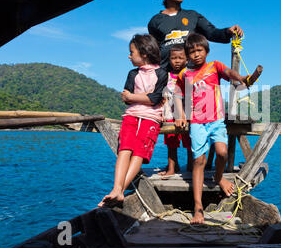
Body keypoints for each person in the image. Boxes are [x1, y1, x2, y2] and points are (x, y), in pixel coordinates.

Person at [174, 33, 249, 224]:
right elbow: (177, 95)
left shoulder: (214, 66)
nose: (196, 54)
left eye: (199, 50)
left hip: (216, 120)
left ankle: (218, 177)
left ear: (206, 51)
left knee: (222, 152)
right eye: (192, 52)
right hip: (197, 122)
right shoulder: (185, 74)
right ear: (188, 55)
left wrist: (240, 78)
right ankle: (198, 208)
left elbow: (229, 73)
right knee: (199, 160)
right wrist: (180, 115)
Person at [98, 34, 168, 207]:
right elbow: (125, 97)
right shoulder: (132, 74)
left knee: (138, 154)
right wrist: (142, 97)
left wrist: (135, 97)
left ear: (144, 53)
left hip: (151, 118)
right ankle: (116, 189)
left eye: (132, 52)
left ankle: (121, 190)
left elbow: (155, 98)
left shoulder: (161, 73)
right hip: (131, 116)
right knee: (124, 150)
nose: (129, 56)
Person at [148, 0, 244, 70]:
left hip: (191, 73)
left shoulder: (193, 15)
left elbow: (211, 32)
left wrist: (228, 31)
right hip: (166, 75)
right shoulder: (155, 21)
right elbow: (154, 51)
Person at [159, 44, 193, 176]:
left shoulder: (189, 75)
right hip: (169, 113)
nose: (177, 60)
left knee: (190, 141)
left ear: (187, 60)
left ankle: (191, 165)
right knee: (171, 142)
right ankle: (173, 167)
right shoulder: (166, 76)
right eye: (174, 58)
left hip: (186, 114)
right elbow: (162, 96)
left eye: (180, 58)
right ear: (169, 60)